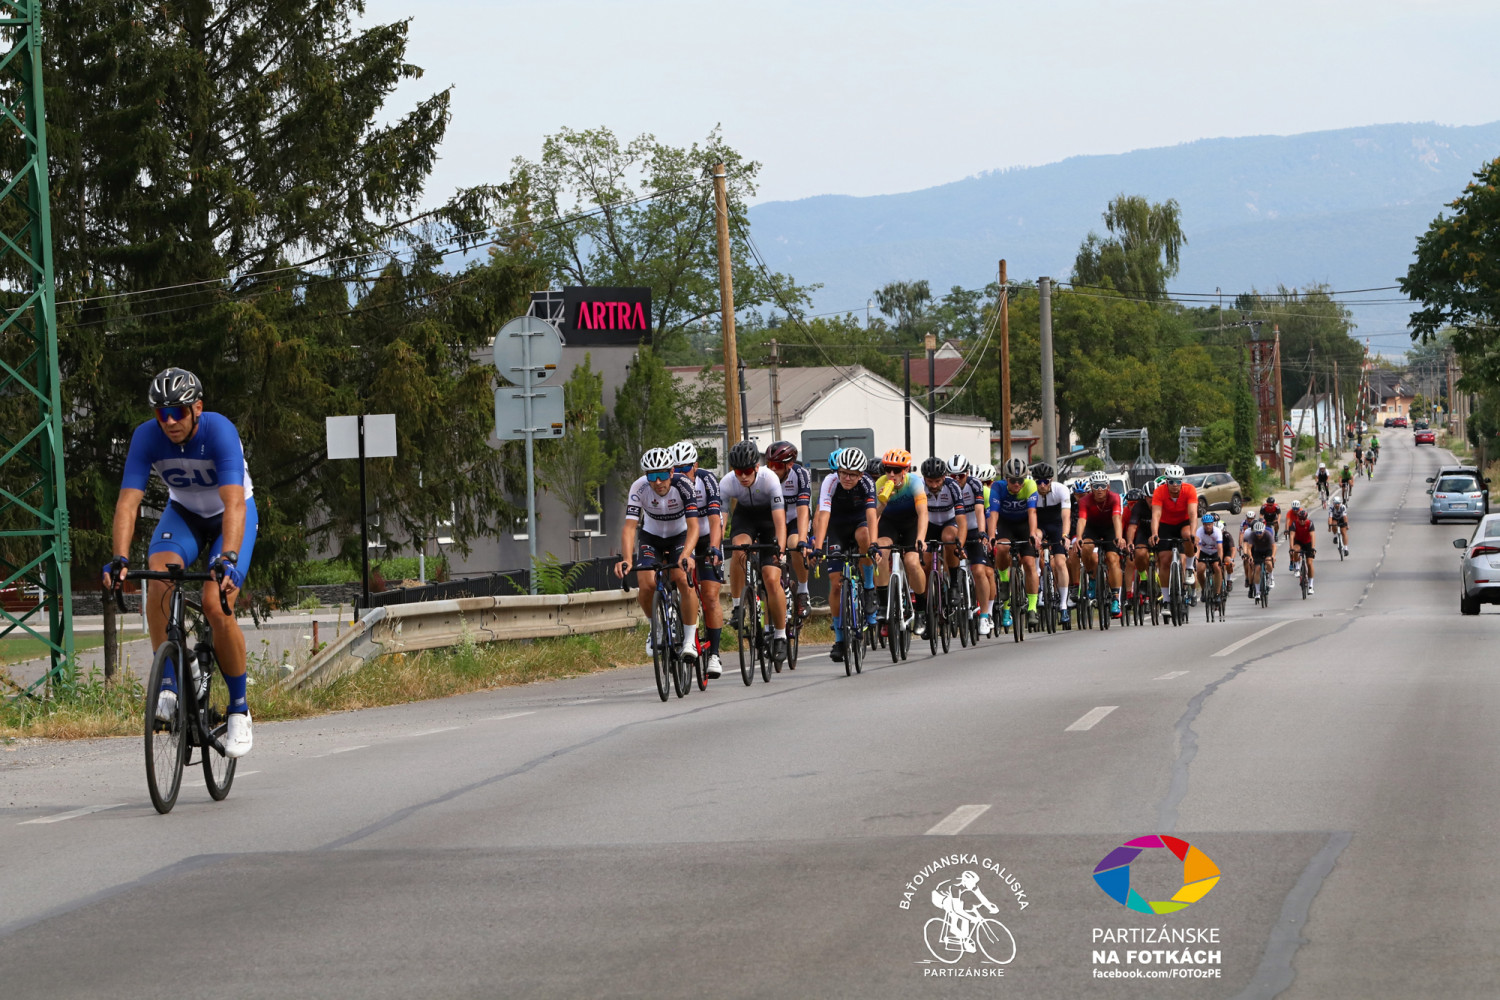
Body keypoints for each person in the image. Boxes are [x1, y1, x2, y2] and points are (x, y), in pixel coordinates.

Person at [102, 368, 257, 758]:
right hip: (184, 516)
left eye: (178, 412)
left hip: (230, 518)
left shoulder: (219, 432)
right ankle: (169, 686)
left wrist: (228, 558)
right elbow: (128, 503)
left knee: (215, 604)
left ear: (197, 408)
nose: (170, 421)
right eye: (162, 413)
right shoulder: (146, 437)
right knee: (159, 579)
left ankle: (239, 709)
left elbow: (234, 503)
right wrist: (119, 558)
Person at [615, 447, 701, 661]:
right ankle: (656, 628)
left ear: (672, 472)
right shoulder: (639, 487)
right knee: (646, 585)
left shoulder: (684, 485)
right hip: (651, 536)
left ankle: (689, 640)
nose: (658, 482)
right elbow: (629, 527)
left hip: (680, 536)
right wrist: (627, 559)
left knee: (683, 578)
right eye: (652, 476)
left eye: (662, 474)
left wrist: (687, 554)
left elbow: (694, 526)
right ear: (646, 476)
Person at [719, 440, 790, 667]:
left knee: (771, 578)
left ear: (756, 467)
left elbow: (780, 521)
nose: (743, 476)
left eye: (747, 471)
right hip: (745, 517)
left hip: (769, 520)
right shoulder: (727, 483)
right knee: (738, 549)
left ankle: (780, 636)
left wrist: (781, 548)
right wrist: (716, 546)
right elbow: (721, 521)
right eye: (738, 471)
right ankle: (738, 606)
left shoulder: (770, 479)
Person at [810, 447, 880, 662]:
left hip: (859, 523)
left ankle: (869, 588)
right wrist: (818, 547)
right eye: (843, 473)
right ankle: (840, 639)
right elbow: (823, 515)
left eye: (852, 474)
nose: (847, 478)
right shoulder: (830, 482)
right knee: (836, 583)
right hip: (837, 527)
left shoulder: (867, 483)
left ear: (861, 474)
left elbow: (871, 515)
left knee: (864, 536)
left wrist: (874, 544)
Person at [671, 441, 724, 679]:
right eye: (677, 469)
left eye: (686, 468)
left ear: (696, 466)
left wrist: (714, 548)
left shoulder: (707, 480)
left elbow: (714, 519)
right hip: (683, 538)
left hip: (705, 537)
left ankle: (714, 654)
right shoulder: (670, 484)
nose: (681, 474)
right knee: (678, 578)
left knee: (710, 596)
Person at [874, 449, 929, 635]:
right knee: (881, 552)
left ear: (905, 470)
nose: (891, 474)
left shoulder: (914, 483)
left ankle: (920, 610)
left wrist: (920, 538)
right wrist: (882, 502)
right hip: (889, 524)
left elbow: (923, 513)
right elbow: (873, 517)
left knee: (912, 562)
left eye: (896, 470)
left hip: (910, 525)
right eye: (887, 469)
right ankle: (883, 605)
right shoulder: (880, 483)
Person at [986, 457, 1043, 631]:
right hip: (1006, 524)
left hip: (1024, 525)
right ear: (1006, 479)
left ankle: (1032, 608)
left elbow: (1032, 512)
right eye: (1012, 480)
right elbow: (994, 514)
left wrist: (1032, 533)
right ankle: (1004, 581)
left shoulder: (1030, 486)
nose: (1017, 484)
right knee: (1002, 547)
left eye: (1020, 480)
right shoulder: (998, 487)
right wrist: (991, 536)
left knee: (1029, 563)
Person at [766, 440, 813, 620]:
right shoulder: (765, 476)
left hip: (795, 519)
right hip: (774, 519)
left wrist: (802, 539)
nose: (772, 469)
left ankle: (803, 591)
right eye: (770, 464)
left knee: (794, 544)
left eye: (778, 466)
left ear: (790, 464)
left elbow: (803, 509)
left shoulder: (800, 475)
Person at [921, 457, 970, 619]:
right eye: (930, 481)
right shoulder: (920, 486)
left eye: (937, 481)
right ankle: (926, 608)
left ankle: (954, 583)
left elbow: (962, 520)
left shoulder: (952, 486)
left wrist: (960, 546)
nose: (934, 485)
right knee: (925, 565)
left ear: (944, 477)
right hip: (929, 524)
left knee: (949, 538)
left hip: (949, 522)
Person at [1148, 464, 1199, 620]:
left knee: (1187, 535)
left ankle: (1189, 568)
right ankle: (1166, 600)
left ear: (1182, 481)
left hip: (1183, 523)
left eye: (1178, 481)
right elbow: (1156, 515)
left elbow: (1193, 513)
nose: (1175, 485)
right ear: (1166, 482)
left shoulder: (1190, 490)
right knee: (1164, 561)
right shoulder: (1159, 491)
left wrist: (1193, 533)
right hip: (1166, 525)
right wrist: (1155, 533)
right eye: (1171, 482)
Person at [951, 456, 995, 636]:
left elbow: (979, 510)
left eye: (960, 476)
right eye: (953, 476)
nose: (956, 480)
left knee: (979, 571)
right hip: (955, 530)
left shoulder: (975, 484)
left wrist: (982, 532)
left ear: (967, 473)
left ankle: (984, 615)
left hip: (974, 528)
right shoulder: (948, 486)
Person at [1075, 471, 1126, 618]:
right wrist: (1079, 537)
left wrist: (1119, 537)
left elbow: (1117, 518)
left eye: (1102, 486)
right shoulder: (1085, 500)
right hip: (1092, 528)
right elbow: (1082, 520)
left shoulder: (1114, 498)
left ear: (1108, 487)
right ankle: (1092, 576)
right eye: (1096, 486)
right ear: (1091, 487)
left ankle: (1115, 598)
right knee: (1086, 547)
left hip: (1110, 529)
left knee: (1112, 559)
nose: (1099, 489)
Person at [1031, 464, 1072, 626]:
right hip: (1040, 526)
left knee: (1060, 563)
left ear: (1051, 480)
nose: (1042, 485)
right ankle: (1038, 581)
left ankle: (1063, 605)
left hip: (1057, 526)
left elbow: (1066, 516)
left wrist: (1065, 536)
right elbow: (1030, 516)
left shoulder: (1061, 490)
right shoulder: (1031, 492)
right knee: (1035, 541)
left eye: (1045, 481)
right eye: (1038, 482)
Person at [1286, 501, 1317, 594]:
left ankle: (1311, 585)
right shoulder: (1294, 524)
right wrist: (1291, 548)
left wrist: (1313, 548)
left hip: (1308, 543)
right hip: (1298, 542)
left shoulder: (1310, 523)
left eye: (1304, 519)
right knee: (1295, 550)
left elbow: (1312, 536)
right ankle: (1296, 566)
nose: (1302, 521)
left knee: (1309, 563)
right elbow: (1292, 536)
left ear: (1306, 518)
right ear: (1298, 518)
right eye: (1300, 519)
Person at [1194, 513, 1225, 603]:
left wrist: (1220, 560)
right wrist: (1196, 559)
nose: (1208, 526)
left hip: (1215, 552)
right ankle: (1204, 589)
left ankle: (1217, 593)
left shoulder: (1217, 531)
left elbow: (1220, 548)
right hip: (1204, 552)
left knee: (1217, 568)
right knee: (1200, 569)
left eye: (1209, 524)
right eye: (1206, 524)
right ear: (1203, 524)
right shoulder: (1199, 531)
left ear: (1213, 524)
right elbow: (1198, 548)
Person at [1245, 519, 1276, 600]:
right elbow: (1249, 547)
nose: (1259, 534)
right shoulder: (1252, 535)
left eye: (1260, 532)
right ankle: (1257, 591)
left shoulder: (1268, 534)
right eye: (1257, 532)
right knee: (1257, 569)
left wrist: (1273, 556)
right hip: (1258, 551)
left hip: (1267, 550)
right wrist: (1250, 557)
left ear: (1263, 531)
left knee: (1268, 562)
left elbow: (1273, 546)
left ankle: (1271, 578)